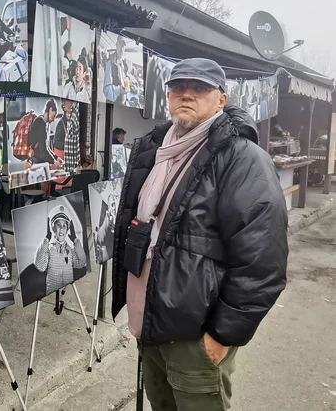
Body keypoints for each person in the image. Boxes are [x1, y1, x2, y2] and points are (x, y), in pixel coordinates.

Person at [111, 58, 288, 411]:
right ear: (167, 95)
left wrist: (223, 334)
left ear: (221, 99)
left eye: (200, 88)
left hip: (197, 334)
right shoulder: (155, 149)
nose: (187, 95)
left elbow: (263, 261)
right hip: (150, 322)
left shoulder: (242, 158)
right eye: (179, 87)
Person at [34, 205, 87, 295]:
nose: (62, 228)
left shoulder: (70, 250)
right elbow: (40, 266)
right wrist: (46, 239)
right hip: (51, 293)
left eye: (64, 226)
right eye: (58, 225)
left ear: (67, 230)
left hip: (67, 293)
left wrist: (75, 240)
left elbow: (81, 262)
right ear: (53, 228)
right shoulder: (49, 249)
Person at [29, 99, 63, 167]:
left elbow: (46, 147)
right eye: (54, 116)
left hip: (39, 161)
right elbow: (43, 152)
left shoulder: (45, 124)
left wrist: (56, 157)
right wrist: (54, 161)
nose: (54, 120)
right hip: (36, 163)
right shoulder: (40, 123)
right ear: (50, 110)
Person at [103, 35, 128, 104]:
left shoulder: (124, 64)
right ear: (116, 45)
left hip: (123, 103)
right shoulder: (110, 62)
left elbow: (125, 79)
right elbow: (106, 90)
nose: (122, 48)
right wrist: (118, 90)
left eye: (124, 46)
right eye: (120, 45)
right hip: (114, 104)